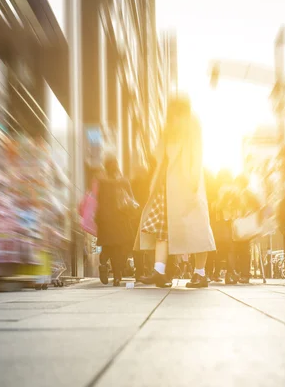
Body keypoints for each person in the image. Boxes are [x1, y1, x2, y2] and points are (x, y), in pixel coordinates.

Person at [135, 96, 216, 288]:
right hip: (166, 186)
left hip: (188, 184)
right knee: (162, 229)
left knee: (197, 229)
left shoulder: (193, 125)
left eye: (176, 113)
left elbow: (197, 155)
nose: (173, 117)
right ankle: (159, 271)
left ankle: (200, 274)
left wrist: (195, 183)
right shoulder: (169, 129)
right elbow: (159, 154)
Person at [95, 155, 135, 286]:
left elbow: (96, 201)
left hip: (105, 221)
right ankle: (117, 276)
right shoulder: (123, 181)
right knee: (119, 250)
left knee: (108, 247)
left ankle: (103, 263)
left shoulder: (101, 182)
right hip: (121, 221)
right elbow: (131, 201)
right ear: (117, 166)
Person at [230, 174, 262, 284]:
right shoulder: (239, 194)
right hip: (241, 225)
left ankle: (244, 274)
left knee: (242, 250)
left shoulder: (248, 194)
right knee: (239, 250)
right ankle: (241, 273)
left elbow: (258, 207)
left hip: (245, 226)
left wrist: (250, 212)